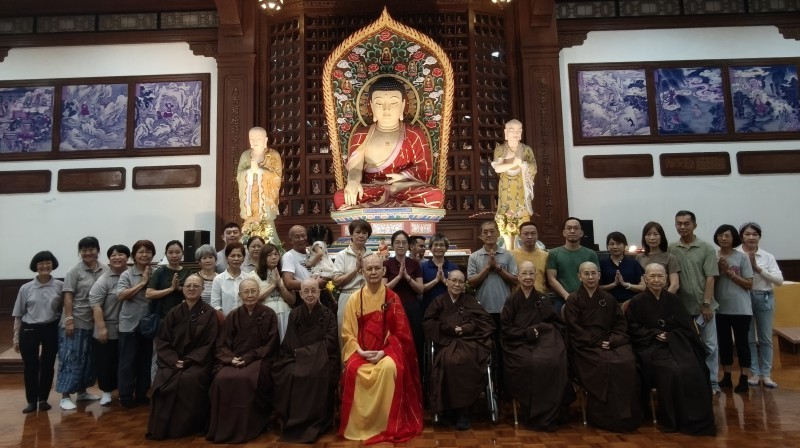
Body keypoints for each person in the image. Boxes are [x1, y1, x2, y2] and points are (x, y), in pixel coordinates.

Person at [339, 254, 423, 443]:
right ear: (362, 272)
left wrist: (384, 352)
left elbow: (401, 334)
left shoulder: (392, 298)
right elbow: (347, 333)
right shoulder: (354, 299)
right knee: (354, 370)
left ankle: (386, 424)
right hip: (361, 351)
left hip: (386, 351)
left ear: (384, 270)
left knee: (389, 367)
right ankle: (361, 425)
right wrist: (360, 351)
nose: (373, 272)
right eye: (369, 269)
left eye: (377, 268)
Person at [626, 264, 716, 435]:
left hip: (676, 344)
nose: (656, 280)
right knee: (671, 369)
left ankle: (692, 416)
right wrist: (654, 334)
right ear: (645, 279)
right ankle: (671, 417)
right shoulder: (636, 302)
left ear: (666, 279)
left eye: (660, 276)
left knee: (693, 367)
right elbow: (633, 328)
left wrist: (671, 336)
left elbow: (687, 327)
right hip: (650, 347)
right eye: (652, 276)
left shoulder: (674, 300)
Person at [333, 76, 443, 209]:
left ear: (403, 105)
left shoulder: (414, 133)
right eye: (379, 103)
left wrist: (402, 177)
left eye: (393, 103)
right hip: (373, 189)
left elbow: (424, 167)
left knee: (435, 194)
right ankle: (396, 204)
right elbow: (355, 168)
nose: (386, 109)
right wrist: (353, 182)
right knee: (340, 197)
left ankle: (373, 206)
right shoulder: (362, 134)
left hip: (403, 187)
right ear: (371, 106)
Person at [564, 262, 642, 432]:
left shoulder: (608, 298)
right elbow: (574, 328)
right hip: (585, 346)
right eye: (586, 274)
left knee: (626, 362)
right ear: (579, 277)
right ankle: (603, 417)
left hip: (610, 341)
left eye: (593, 273)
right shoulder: (573, 299)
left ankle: (626, 416)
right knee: (605, 364)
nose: (590, 277)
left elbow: (620, 325)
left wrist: (614, 340)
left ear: (599, 275)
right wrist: (596, 342)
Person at [147, 274, 219, 440]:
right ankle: (161, 427)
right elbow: (163, 340)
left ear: (202, 289)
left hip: (198, 362)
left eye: (196, 286)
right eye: (188, 286)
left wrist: (188, 360)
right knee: (163, 380)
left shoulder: (210, 313)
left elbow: (209, 343)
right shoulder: (174, 312)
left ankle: (187, 427)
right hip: (172, 361)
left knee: (189, 380)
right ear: (183, 289)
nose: (192, 289)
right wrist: (174, 360)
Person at [207, 278, 279, 443]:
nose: (250, 295)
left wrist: (248, 358)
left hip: (258, 358)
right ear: (240, 295)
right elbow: (222, 343)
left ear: (259, 293)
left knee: (247, 379)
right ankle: (224, 427)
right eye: (246, 292)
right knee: (221, 379)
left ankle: (251, 425)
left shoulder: (269, 314)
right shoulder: (233, 315)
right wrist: (231, 359)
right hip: (235, 358)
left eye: (253, 291)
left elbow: (270, 344)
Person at [501, 262, 569, 431]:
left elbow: (554, 322)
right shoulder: (511, 300)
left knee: (553, 362)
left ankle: (551, 413)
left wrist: (541, 330)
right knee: (528, 363)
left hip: (543, 341)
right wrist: (525, 333)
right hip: (518, 343)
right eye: (524, 273)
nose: (528, 277)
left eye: (531, 274)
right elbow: (506, 329)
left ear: (536, 276)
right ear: (518, 276)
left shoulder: (543, 298)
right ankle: (531, 413)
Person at [423, 270, 495, 431]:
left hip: (469, 341)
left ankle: (464, 412)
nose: (456, 284)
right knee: (449, 361)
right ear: (447, 282)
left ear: (464, 285)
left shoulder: (470, 301)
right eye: (454, 281)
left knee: (465, 360)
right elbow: (429, 322)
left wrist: (466, 328)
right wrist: (448, 329)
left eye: (460, 282)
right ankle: (449, 410)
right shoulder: (438, 301)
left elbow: (486, 321)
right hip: (446, 342)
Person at [273, 278, 339, 443]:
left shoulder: (328, 314)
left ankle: (316, 421)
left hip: (321, 358)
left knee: (317, 374)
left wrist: (304, 354)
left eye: (313, 290)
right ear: (301, 294)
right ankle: (291, 420)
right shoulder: (295, 314)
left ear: (319, 293)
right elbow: (290, 341)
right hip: (298, 357)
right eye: (306, 291)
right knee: (286, 373)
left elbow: (330, 342)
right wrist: (301, 355)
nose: (310, 294)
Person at [669, 210, 720, 393]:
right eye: (679, 223)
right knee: (686, 347)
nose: (682, 227)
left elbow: (710, 278)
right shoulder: (671, 249)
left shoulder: (706, 248)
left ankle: (712, 382)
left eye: (686, 223)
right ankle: (693, 382)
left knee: (710, 345)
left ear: (695, 225)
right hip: (682, 308)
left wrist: (706, 304)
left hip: (703, 307)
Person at [57, 236, 108, 410]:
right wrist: (69, 320)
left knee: (87, 359)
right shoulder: (74, 271)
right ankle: (65, 396)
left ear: (98, 250)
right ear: (80, 252)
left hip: (94, 322)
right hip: (76, 321)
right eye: (84, 250)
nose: (88, 253)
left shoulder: (105, 269)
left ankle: (82, 392)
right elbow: (68, 296)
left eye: (91, 249)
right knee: (70, 358)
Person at [13, 251, 63, 413]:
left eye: (48, 262)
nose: (44, 266)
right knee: (30, 366)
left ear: (53, 264)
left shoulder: (60, 286)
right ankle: (31, 401)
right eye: (41, 263)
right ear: (35, 266)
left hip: (51, 328)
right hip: (30, 328)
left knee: (48, 365)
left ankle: (43, 399)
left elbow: (64, 309)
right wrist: (15, 338)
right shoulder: (26, 288)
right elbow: (18, 314)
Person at [737, 222, 784, 388]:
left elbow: (779, 281)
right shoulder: (735, 254)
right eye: (747, 234)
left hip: (764, 297)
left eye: (754, 234)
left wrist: (757, 269)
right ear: (741, 236)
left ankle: (766, 374)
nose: (751, 237)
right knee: (749, 338)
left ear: (759, 236)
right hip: (743, 298)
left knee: (765, 337)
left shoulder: (767, 256)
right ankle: (754, 373)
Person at [713, 224, 754, 393]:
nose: (723, 238)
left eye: (727, 235)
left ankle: (744, 378)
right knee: (724, 344)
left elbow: (749, 284)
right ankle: (727, 377)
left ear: (734, 238)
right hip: (720, 308)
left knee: (742, 343)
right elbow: (711, 282)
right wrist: (718, 269)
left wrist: (729, 272)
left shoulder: (742, 258)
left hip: (741, 309)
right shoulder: (713, 257)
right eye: (720, 235)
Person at [88, 244, 130, 406]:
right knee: (106, 361)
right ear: (109, 259)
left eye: (121, 254)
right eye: (113, 255)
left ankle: (123, 390)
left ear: (128, 257)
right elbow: (96, 304)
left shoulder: (132, 275)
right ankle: (106, 391)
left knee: (124, 361)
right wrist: (101, 328)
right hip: (108, 326)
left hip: (129, 326)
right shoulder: (104, 279)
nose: (117, 258)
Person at [116, 239, 155, 408]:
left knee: (145, 361)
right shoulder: (127, 274)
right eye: (141, 252)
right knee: (128, 361)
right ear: (134, 255)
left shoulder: (156, 272)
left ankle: (141, 394)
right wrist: (142, 283)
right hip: (129, 324)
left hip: (149, 324)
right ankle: (125, 395)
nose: (144, 255)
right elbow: (121, 295)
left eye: (148, 252)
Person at [491, 119, 537, 248]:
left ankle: (523, 245)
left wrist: (523, 164)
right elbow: (497, 168)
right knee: (505, 216)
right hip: (506, 188)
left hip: (521, 187)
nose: (515, 134)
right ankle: (507, 246)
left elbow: (533, 168)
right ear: (506, 132)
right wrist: (514, 163)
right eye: (512, 131)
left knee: (522, 214)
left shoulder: (526, 150)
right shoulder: (500, 149)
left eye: (518, 131)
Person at [383, 230, 425, 369]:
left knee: (414, 342)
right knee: (394, 342)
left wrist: (407, 277)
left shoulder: (415, 264)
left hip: (412, 309)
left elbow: (420, 289)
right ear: (392, 245)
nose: (400, 245)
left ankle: (415, 373)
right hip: (392, 308)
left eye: (404, 242)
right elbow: (383, 289)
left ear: (408, 245)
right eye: (397, 242)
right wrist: (398, 277)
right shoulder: (386, 263)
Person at [546, 217, 600, 315]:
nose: (572, 231)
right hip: (562, 299)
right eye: (569, 228)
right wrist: (567, 296)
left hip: (588, 297)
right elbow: (551, 279)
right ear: (564, 232)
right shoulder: (554, 253)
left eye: (576, 228)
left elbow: (596, 276)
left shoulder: (591, 254)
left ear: (581, 233)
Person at [333, 219, 374, 332]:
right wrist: (356, 269)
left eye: (364, 233)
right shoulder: (342, 255)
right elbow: (336, 281)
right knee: (345, 331)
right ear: (351, 234)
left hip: (368, 297)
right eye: (358, 232)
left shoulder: (372, 255)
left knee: (367, 332)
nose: (361, 235)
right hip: (347, 296)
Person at [236, 127, 281, 225]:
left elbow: (277, 177)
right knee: (250, 223)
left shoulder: (273, 155)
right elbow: (239, 175)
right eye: (252, 139)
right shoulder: (245, 155)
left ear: (265, 140)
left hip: (266, 198)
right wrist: (249, 172)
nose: (255, 142)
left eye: (258, 139)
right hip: (249, 196)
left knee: (266, 223)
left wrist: (260, 171)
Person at [249, 243, 294, 340]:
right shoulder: (254, 275)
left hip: (285, 313)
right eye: (269, 255)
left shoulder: (285, 275)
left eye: (276, 254)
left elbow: (292, 301)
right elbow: (253, 298)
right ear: (263, 258)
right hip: (265, 315)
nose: (274, 257)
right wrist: (272, 285)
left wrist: (280, 286)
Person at [599, 231, 645, 303]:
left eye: (618, 244)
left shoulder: (633, 263)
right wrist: (613, 284)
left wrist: (625, 284)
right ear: (608, 246)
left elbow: (643, 287)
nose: (615, 247)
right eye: (612, 244)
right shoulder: (602, 263)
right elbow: (597, 287)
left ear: (625, 245)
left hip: (631, 303)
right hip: (608, 303)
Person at [636, 221, 681, 294]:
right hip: (644, 298)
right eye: (648, 234)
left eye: (656, 234)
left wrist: (663, 299)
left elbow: (675, 285)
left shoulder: (669, 257)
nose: (652, 238)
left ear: (661, 236)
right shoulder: (639, 257)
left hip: (664, 297)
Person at [282, 225, 326, 295]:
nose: (301, 239)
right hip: (303, 296)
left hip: (319, 294)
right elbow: (288, 283)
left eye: (303, 236)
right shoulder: (289, 256)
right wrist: (315, 283)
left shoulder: (312, 253)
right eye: (297, 237)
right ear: (290, 240)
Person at [421, 233, 459, 312]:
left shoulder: (454, 267)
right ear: (430, 248)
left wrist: (444, 280)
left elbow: (459, 288)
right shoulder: (423, 267)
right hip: (428, 309)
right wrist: (436, 280)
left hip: (450, 309)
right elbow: (420, 289)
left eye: (441, 245)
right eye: (435, 245)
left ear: (446, 248)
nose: (438, 247)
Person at [511, 222, 549, 295]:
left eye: (533, 233)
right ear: (519, 236)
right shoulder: (511, 255)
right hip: (518, 297)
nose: (530, 237)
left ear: (537, 235)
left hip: (540, 297)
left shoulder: (545, 255)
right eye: (526, 234)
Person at [211, 242, 246, 316]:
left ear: (243, 258)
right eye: (232, 256)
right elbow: (215, 304)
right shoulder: (218, 279)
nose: (236, 259)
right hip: (225, 319)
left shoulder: (248, 278)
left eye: (239, 256)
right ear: (226, 258)